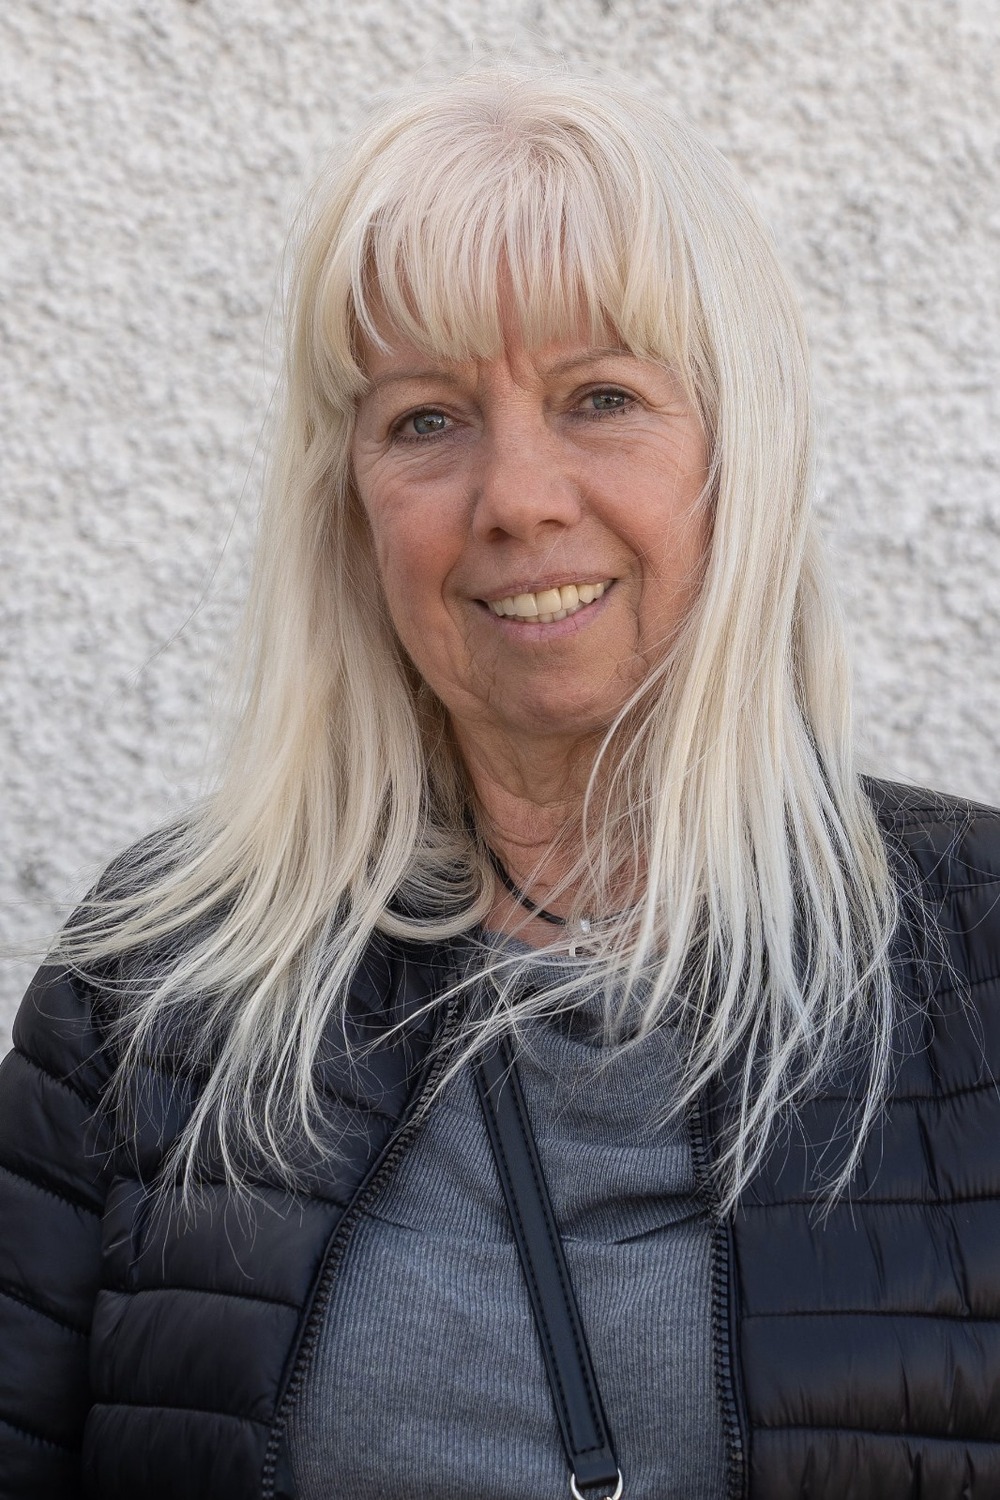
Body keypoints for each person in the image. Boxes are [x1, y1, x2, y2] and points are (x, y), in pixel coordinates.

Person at [1, 65, 998, 1500]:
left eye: (603, 397)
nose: (519, 497)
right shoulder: (157, 987)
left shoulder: (978, 952)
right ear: (349, 504)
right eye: (426, 419)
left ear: (743, 452)